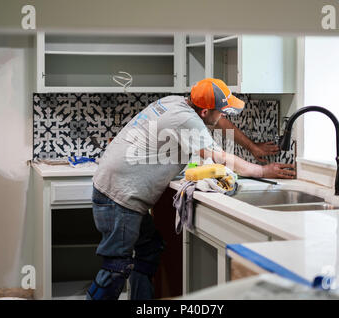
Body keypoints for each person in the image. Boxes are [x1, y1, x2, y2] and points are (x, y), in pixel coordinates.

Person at [87, 78, 295, 300]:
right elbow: (220, 157)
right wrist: (263, 171)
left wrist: (253, 147)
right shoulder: (185, 119)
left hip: (117, 188)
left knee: (149, 250)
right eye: (221, 111)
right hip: (118, 195)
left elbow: (220, 123)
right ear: (205, 111)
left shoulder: (177, 102)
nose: (224, 115)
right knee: (116, 267)